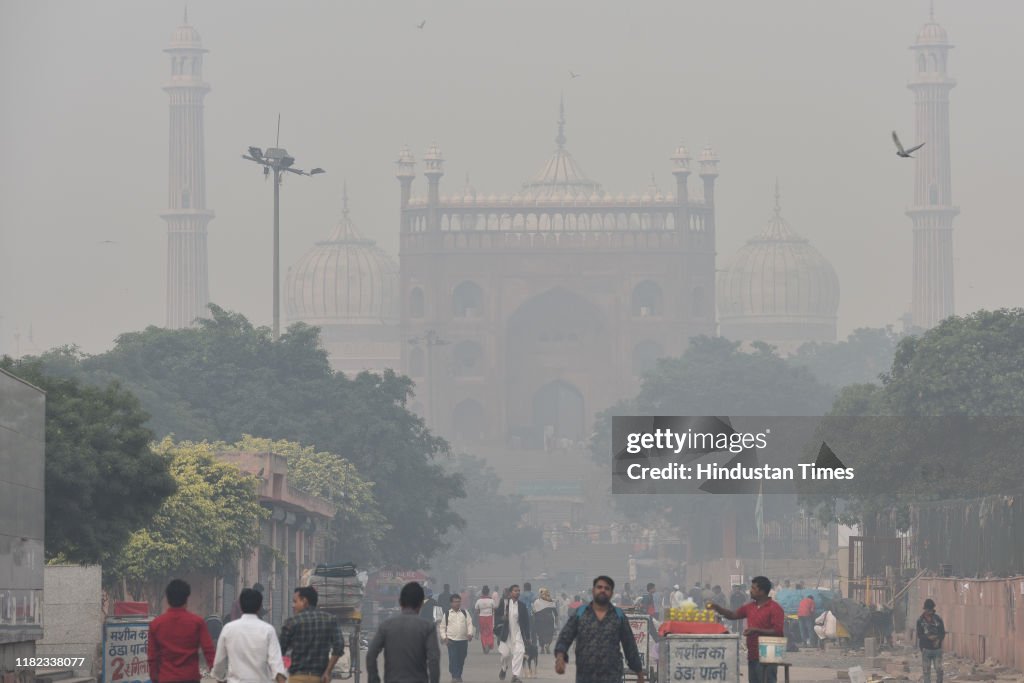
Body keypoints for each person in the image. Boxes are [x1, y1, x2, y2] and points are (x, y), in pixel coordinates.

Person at [553, 575, 644, 683]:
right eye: (599, 587)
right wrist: (560, 656)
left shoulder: (618, 615)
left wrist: (639, 672)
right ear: (593, 590)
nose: (602, 590)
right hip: (585, 676)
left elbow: (629, 645)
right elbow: (565, 636)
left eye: (607, 588)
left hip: (612, 676)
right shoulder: (581, 613)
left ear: (611, 593)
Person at [708, 576, 784, 683]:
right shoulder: (750, 607)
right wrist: (717, 607)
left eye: (753, 588)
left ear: (762, 591)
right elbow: (733, 615)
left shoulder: (775, 608)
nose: (750, 591)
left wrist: (756, 630)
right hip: (752, 654)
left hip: (769, 654)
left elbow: (778, 631)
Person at [367, 582, 441, 683]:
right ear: (421, 603)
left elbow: (371, 654)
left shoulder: (386, 626)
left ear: (400, 602)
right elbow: (434, 659)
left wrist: (374, 679)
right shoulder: (427, 627)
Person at [212, 588, 287, 683]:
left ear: (241, 605)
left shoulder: (228, 629)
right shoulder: (268, 630)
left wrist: (219, 677)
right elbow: (276, 663)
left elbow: (219, 661)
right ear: (259, 607)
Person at [148, 578, 216, 683]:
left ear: (167, 599)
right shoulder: (197, 622)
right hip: (190, 678)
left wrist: (155, 678)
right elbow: (208, 650)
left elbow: (152, 657)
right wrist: (216, 673)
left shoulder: (156, 624)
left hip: (166, 678)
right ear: (187, 598)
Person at [279, 586, 344, 683]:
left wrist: (280, 675)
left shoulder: (292, 622)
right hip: (319, 678)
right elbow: (339, 646)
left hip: (297, 678)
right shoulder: (330, 620)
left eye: (295, 601)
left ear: (304, 601)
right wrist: (328, 671)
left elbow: (279, 651)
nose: (293, 605)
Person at [495, 584, 531, 683]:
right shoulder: (504, 603)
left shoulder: (522, 606)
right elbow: (497, 615)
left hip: (518, 633)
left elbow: (526, 622)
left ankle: (515, 675)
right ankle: (503, 668)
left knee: (519, 652)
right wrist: (502, 618)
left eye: (519, 591)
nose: (517, 592)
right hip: (507, 634)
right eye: (515, 591)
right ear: (510, 593)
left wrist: (527, 636)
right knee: (505, 655)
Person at [439, 594, 474, 683]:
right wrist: (444, 637)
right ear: (451, 603)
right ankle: (455, 676)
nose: (457, 603)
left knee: (461, 658)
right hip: (451, 640)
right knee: (453, 658)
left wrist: (470, 633)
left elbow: (469, 624)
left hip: (463, 640)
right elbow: (442, 627)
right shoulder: (447, 614)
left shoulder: (465, 612)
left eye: (459, 601)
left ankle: (457, 674)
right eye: (455, 602)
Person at [917, 599, 946, 683]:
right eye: (928, 609)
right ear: (925, 609)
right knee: (926, 671)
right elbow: (919, 635)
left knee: (939, 670)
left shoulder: (938, 619)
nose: (930, 611)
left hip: (937, 649)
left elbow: (942, 633)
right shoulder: (920, 621)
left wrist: (938, 640)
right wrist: (928, 638)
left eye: (931, 609)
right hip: (926, 649)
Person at [532, 588, 558, 654]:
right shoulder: (551, 601)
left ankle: (542, 648)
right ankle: (548, 645)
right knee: (550, 633)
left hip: (539, 620)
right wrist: (556, 623)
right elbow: (555, 613)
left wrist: (534, 622)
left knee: (541, 634)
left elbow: (534, 613)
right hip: (549, 619)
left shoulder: (536, 602)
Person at [475, 586, 497, 654]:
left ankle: (484, 645)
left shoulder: (479, 601)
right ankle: (489, 643)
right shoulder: (491, 601)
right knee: (490, 632)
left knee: (483, 632)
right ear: (488, 592)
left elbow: (476, 610)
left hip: (481, 617)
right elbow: (494, 609)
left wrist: (480, 613)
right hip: (489, 617)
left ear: (482, 592)